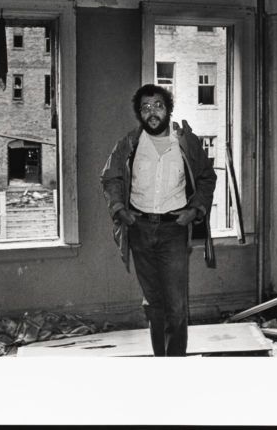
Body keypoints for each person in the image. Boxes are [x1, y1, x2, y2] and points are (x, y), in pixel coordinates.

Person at [100, 84, 217, 356]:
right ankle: (159, 362)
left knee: (176, 306)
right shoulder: (129, 144)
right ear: (139, 113)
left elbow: (206, 178)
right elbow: (110, 177)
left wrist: (195, 210)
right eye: (145, 107)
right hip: (139, 230)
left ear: (169, 109)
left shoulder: (186, 143)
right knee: (154, 304)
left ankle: (174, 363)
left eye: (158, 106)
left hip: (173, 231)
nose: (152, 112)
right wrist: (119, 210)